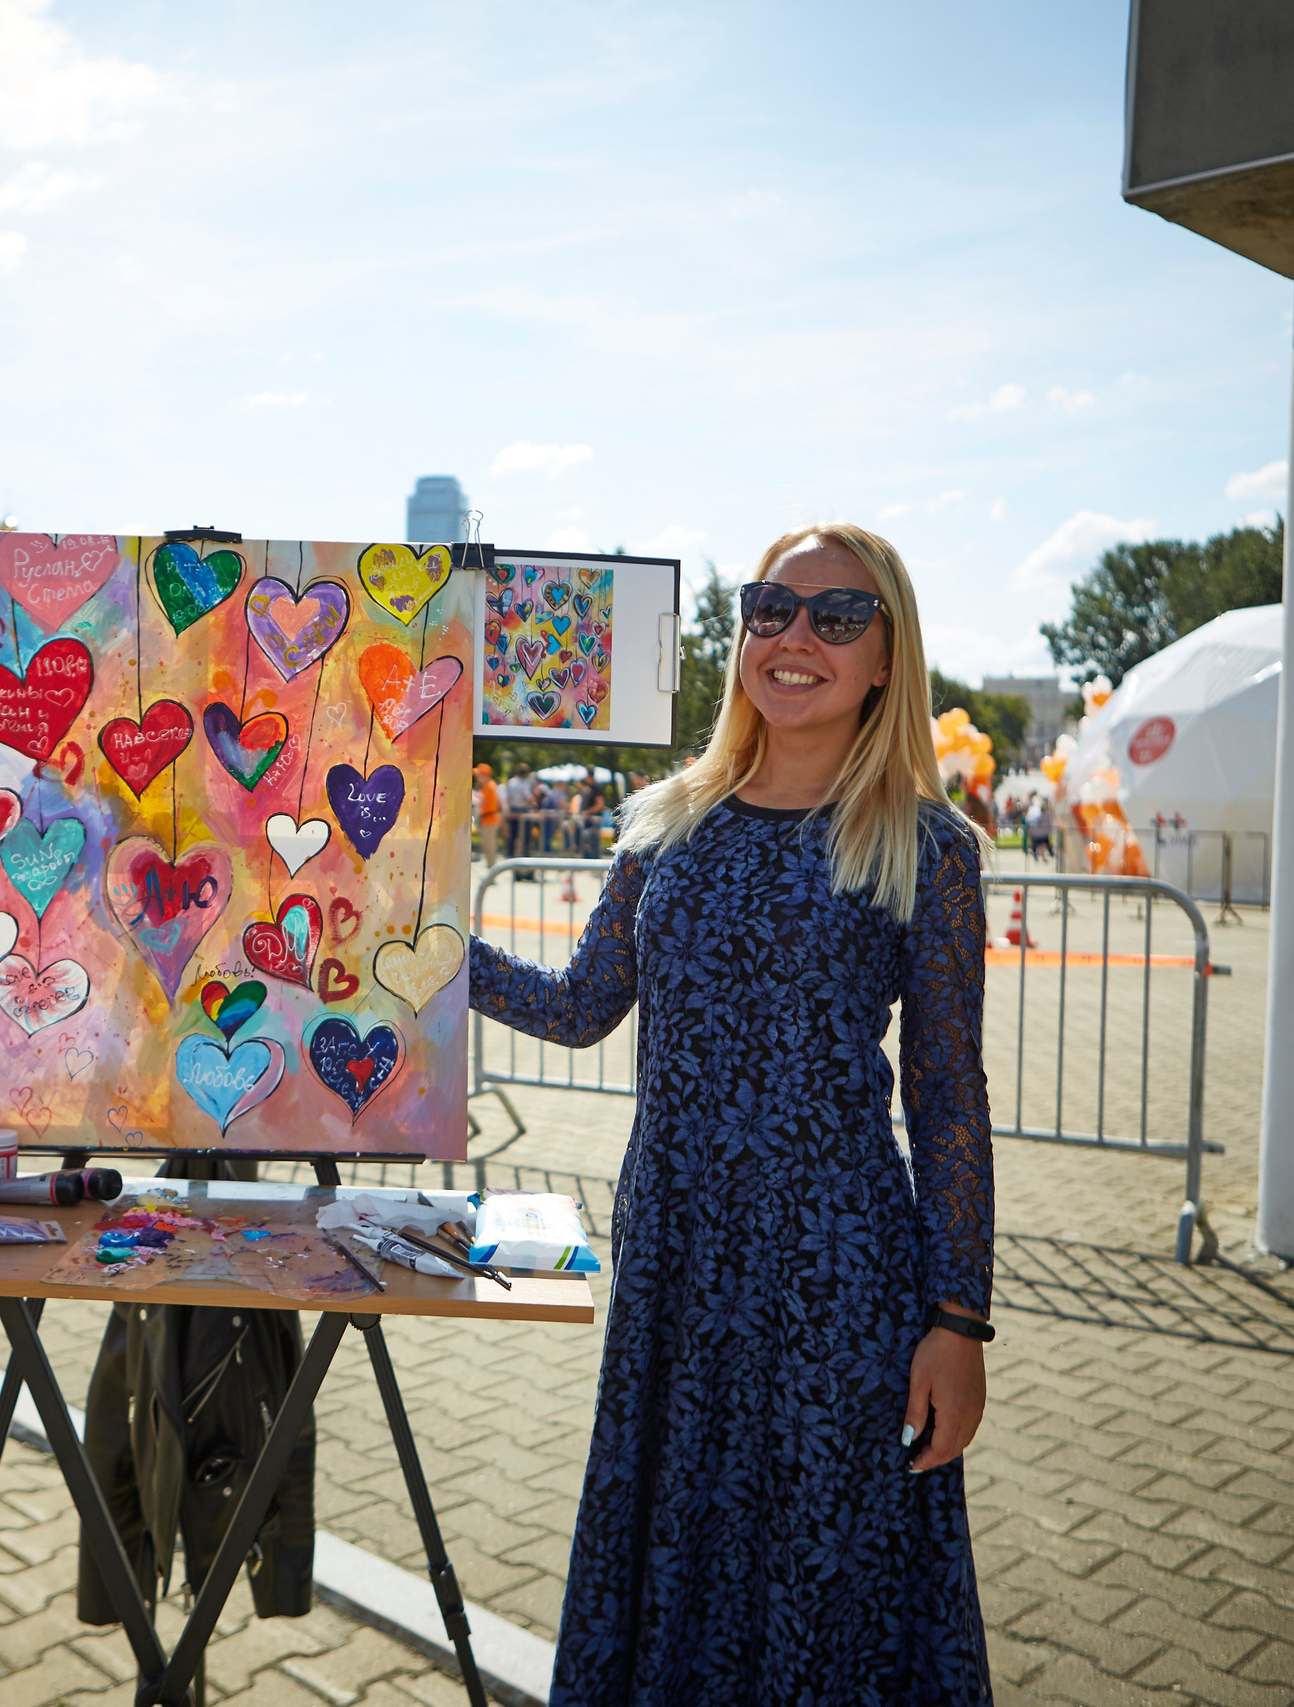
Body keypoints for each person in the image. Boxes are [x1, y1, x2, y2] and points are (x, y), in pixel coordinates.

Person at [467, 522, 993, 1703]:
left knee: (825, 1578)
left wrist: (959, 1318)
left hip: (837, 1276)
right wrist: (431, 960)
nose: (794, 637)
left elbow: (949, 1098)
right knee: (678, 1559)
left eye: (835, 617)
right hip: (675, 1258)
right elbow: (581, 1005)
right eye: (770, 608)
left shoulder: (926, 846)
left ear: (882, 657)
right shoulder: (667, 823)